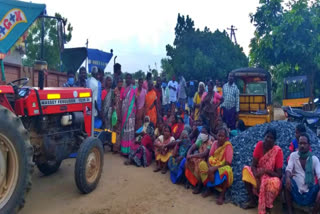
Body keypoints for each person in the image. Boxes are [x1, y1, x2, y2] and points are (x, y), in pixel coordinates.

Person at [242, 127, 283, 214]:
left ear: (274, 140)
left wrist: (265, 171)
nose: (268, 139)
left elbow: (279, 174)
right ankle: (253, 200)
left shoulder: (277, 151)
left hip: (269, 177)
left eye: (271, 138)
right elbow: (253, 165)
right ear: (264, 136)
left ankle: (267, 207)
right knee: (246, 170)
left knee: (275, 183)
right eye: (267, 137)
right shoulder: (259, 145)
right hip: (258, 174)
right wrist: (257, 177)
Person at [285, 133, 320, 214]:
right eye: (300, 143)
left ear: (309, 145)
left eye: (304, 143)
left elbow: (319, 176)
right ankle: (290, 212)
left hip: (309, 193)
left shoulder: (314, 159)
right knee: (285, 179)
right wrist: (287, 178)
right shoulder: (293, 156)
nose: (302, 146)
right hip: (296, 191)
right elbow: (288, 169)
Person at [199, 128, 233, 204]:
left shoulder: (228, 146)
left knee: (227, 170)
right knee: (202, 164)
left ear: (225, 137)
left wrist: (214, 168)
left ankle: (222, 195)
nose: (220, 138)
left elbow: (228, 163)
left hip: (221, 166)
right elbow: (210, 156)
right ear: (216, 135)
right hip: (212, 164)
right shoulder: (214, 143)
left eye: (222, 136)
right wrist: (209, 166)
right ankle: (209, 189)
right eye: (219, 135)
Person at [185, 126, 213, 194]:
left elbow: (204, 154)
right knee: (188, 161)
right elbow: (193, 147)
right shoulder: (200, 140)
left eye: (204, 132)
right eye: (201, 132)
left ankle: (200, 186)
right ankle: (191, 181)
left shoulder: (210, 142)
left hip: (206, 159)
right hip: (198, 156)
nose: (202, 134)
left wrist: (192, 155)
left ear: (208, 134)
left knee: (199, 164)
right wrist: (188, 154)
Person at [120, 73, 136, 155]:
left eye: (130, 78)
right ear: (125, 79)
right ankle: (124, 150)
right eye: (127, 78)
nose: (128, 79)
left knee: (130, 131)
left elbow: (136, 100)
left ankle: (130, 150)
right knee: (125, 131)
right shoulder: (123, 89)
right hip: (124, 112)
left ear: (131, 79)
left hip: (131, 113)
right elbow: (122, 100)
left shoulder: (134, 89)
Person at [113, 78, 124, 153]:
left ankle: (119, 147)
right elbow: (112, 101)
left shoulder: (124, 90)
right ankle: (114, 147)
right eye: (119, 82)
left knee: (120, 130)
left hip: (122, 112)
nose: (120, 83)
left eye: (121, 82)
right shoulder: (115, 90)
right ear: (117, 83)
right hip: (115, 112)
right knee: (114, 130)